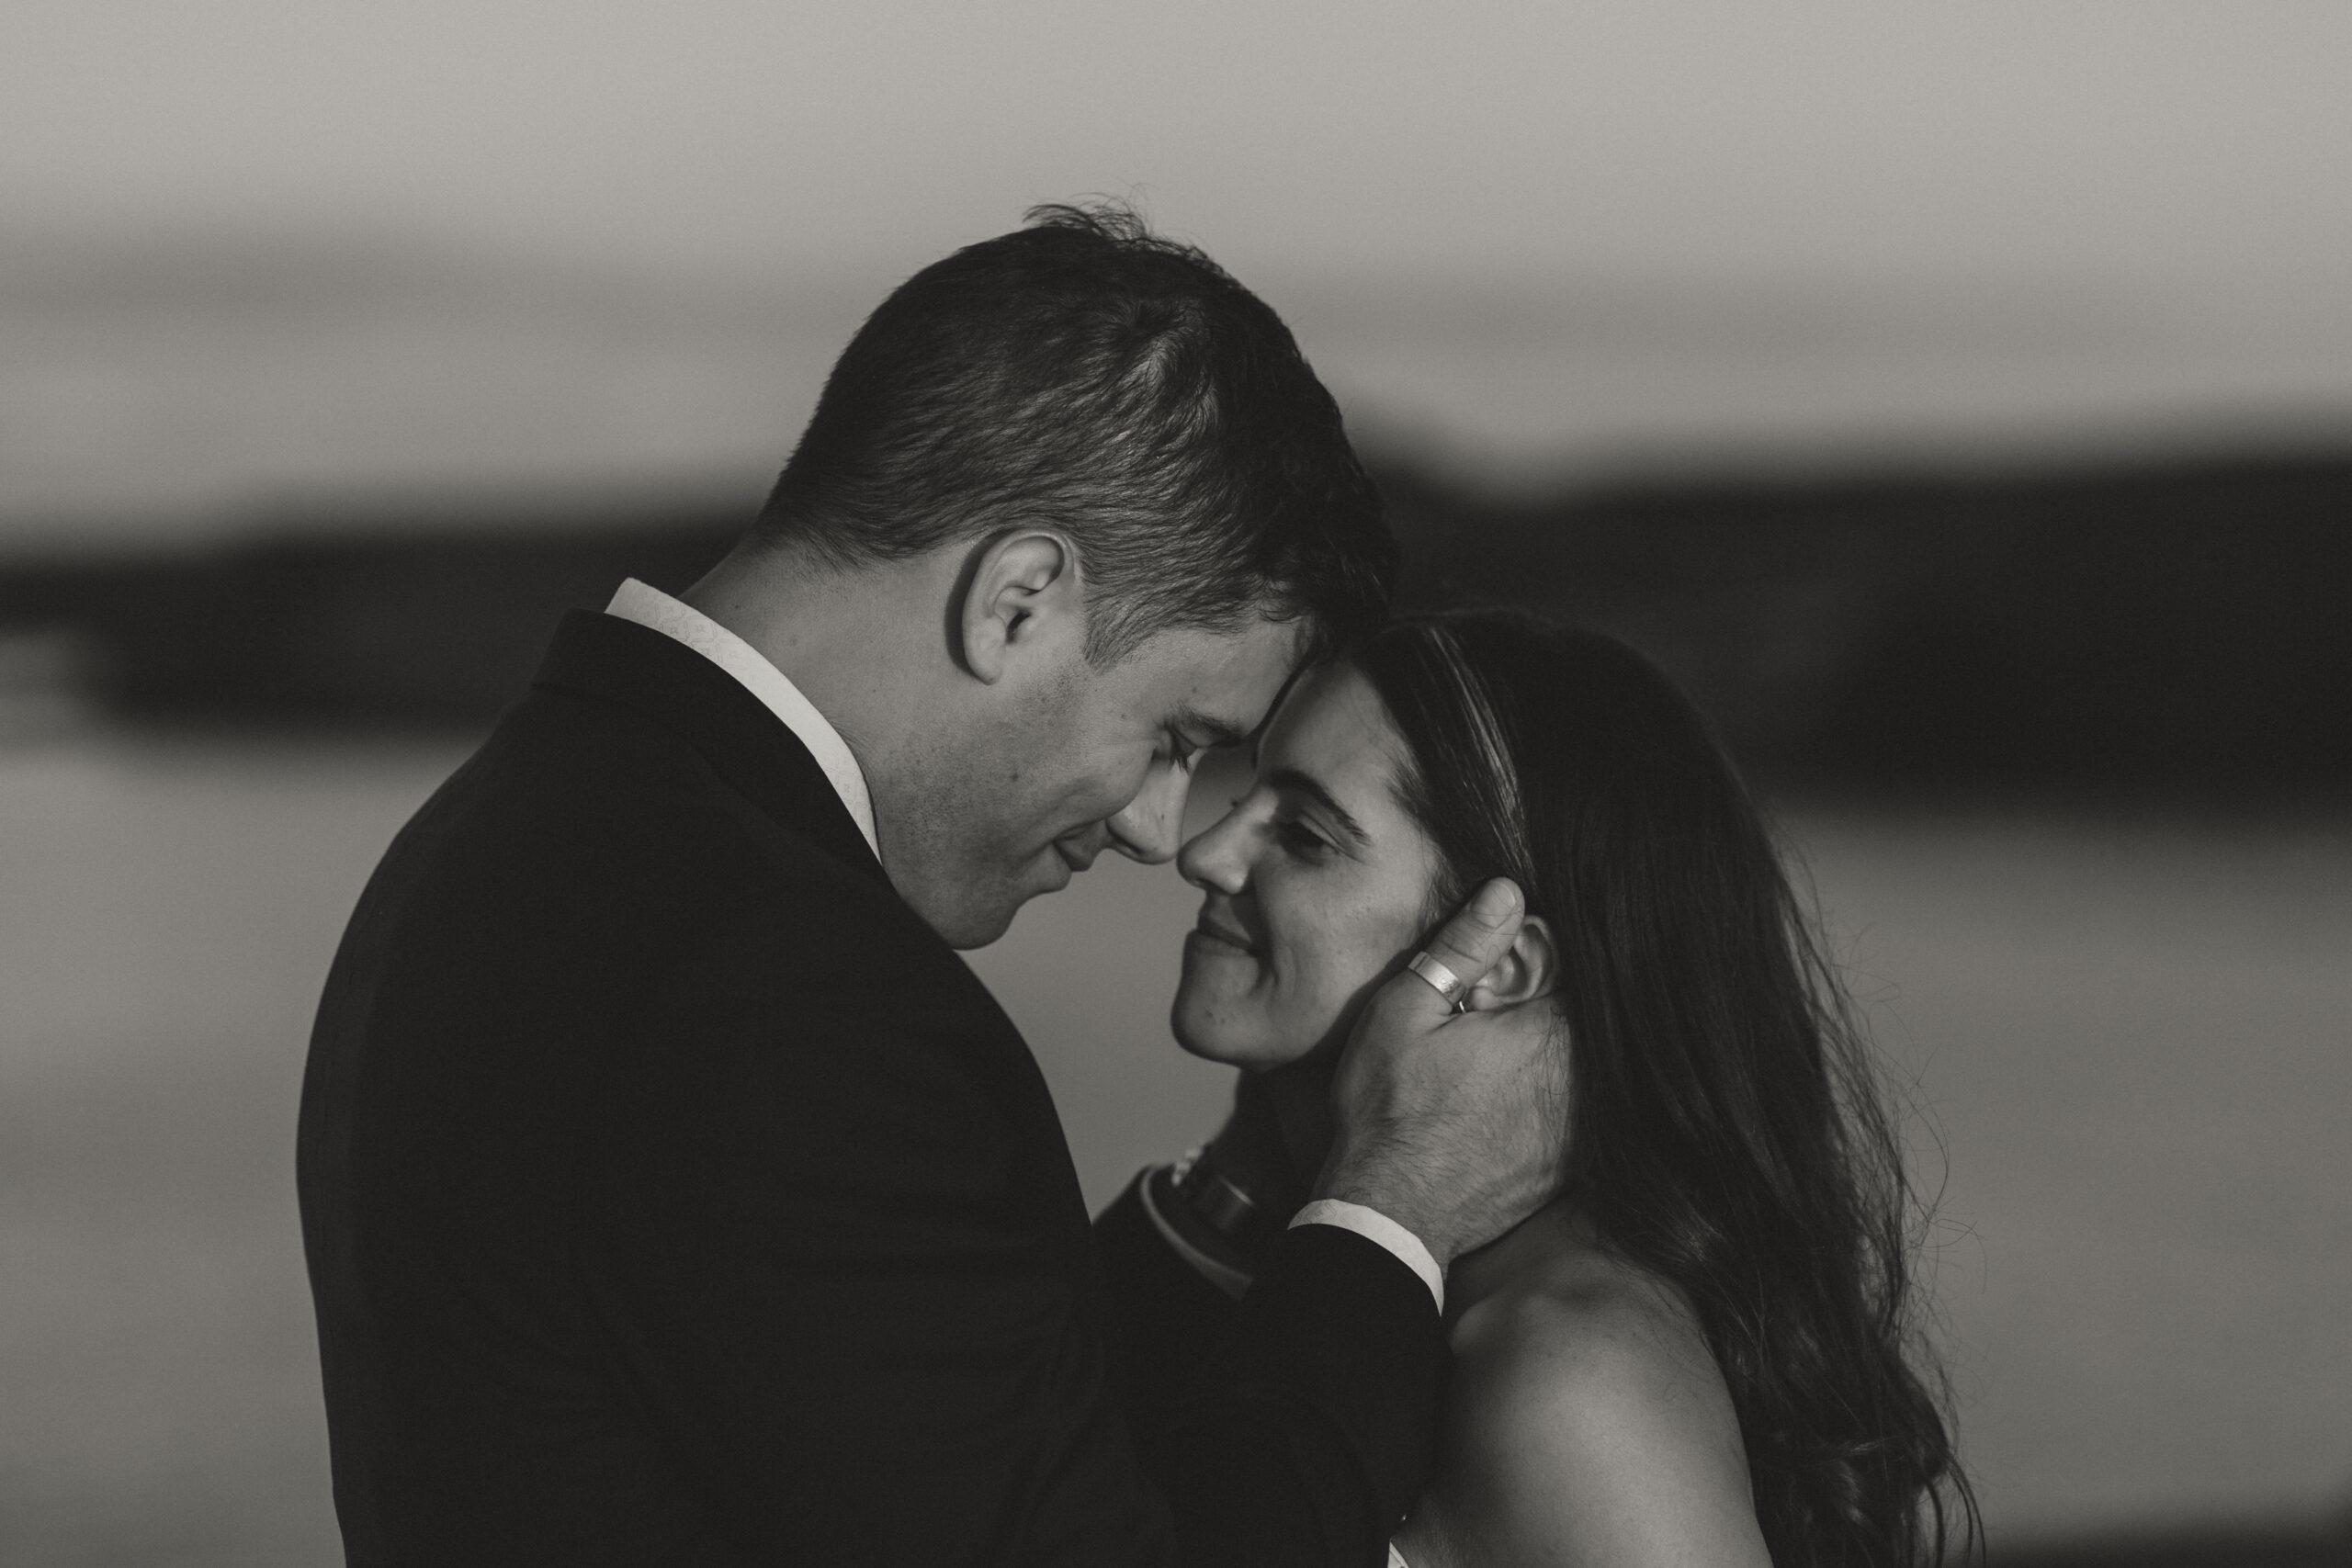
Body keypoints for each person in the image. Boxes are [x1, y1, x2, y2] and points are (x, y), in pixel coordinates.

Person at [296, 206, 1571, 1566]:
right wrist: (1393, 1204)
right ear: (1017, 599)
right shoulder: (785, 983)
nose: (1159, 828)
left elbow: (908, 1428)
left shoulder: (521, 828)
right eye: (1178, 738)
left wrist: (1248, 1180)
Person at [1101, 611, 1979, 1567]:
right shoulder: (1321, 1268)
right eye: (1247, 791)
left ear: (1493, 967)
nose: (1208, 853)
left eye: (1304, 835)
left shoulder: (1573, 1375)